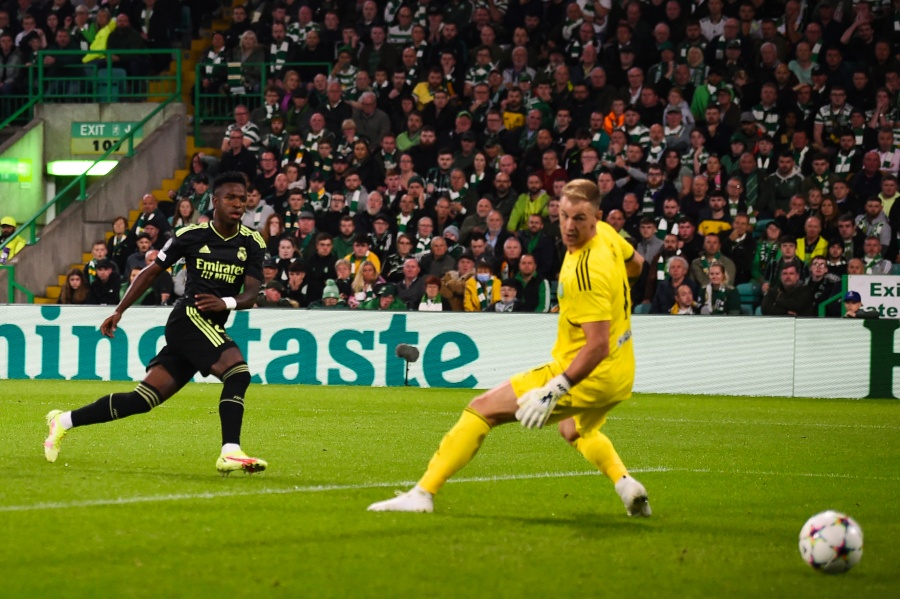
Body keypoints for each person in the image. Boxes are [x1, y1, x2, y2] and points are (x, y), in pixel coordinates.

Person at [368, 179, 650, 516]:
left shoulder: (585, 273)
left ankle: (423, 493)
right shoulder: (607, 234)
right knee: (573, 428)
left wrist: (555, 388)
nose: (570, 226)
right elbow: (637, 266)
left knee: (480, 408)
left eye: (580, 218)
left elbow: (597, 346)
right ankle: (625, 484)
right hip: (622, 370)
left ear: (597, 216)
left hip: (590, 371)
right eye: (564, 216)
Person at [43, 173, 269, 475]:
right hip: (189, 318)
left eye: (242, 199)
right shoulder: (191, 235)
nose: (238, 204)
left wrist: (225, 303)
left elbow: (252, 293)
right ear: (215, 201)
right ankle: (230, 451)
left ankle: (63, 421)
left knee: (142, 400)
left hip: (211, 322)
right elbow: (151, 271)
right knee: (238, 373)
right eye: (231, 197)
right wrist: (120, 310)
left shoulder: (252, 242)